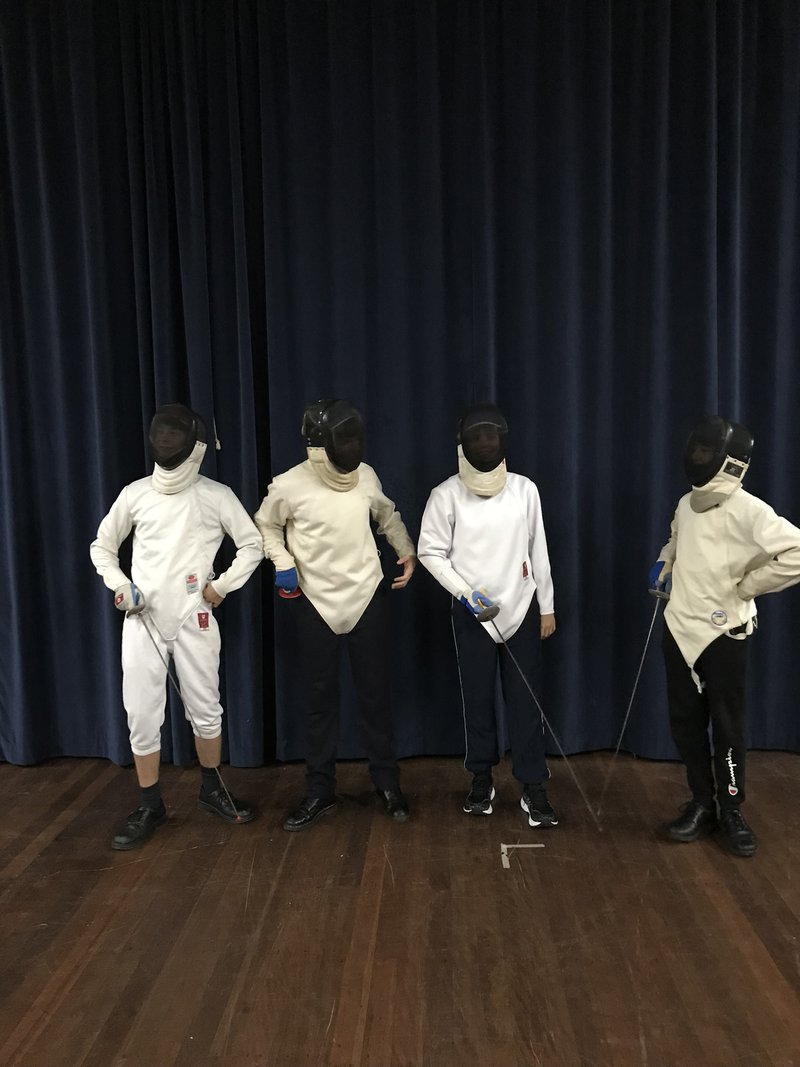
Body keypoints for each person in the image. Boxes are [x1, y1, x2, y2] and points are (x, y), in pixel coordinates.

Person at [90, 404, 263, 850]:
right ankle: (150, 804)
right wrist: (122, 585)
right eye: (162, 435)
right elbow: (102, 547)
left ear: (194, 446)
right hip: (142, 619)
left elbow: (252, 544)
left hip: (194, 618)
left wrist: (221, 587)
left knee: (205, 708)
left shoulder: (216, 496)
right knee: (141, 713)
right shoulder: (135, 494)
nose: (167, 443)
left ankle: (212, 789)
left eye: (175, 437)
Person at [255, 398, 416, 830]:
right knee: (318, 701)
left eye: (354, 439)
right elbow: (266, 525)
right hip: (315, 602)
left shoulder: (367, 477)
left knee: (375, 696)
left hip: (366, 597)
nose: (351, 447)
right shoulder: (289, 485)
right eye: (342, 440)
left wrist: (405, 549)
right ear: (318, 445)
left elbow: (387, 515)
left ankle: (387, 783)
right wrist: (282, 560)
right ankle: (319, 790)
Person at [650, 415, 800, 857]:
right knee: (686, 724)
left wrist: (748, 587)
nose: (697, 458)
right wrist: (664, 563)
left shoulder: (748, 509)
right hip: (679, 627)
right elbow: (676, 540)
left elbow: (796, 551)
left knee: (728, 724)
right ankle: (702, 803)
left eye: (705, 452)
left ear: (729, 461)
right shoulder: (686, 503)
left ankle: (731, 809)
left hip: (723, 634)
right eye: (695, 450)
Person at [417, 402, 557, 827]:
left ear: (503, 441)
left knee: (526, 704)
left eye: (490, 436)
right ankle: (481, 778)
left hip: (521, 609)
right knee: (477, 701)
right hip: (472, 615)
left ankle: (533, 785)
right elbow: (429, 552)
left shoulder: (524, 490)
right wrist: (465, 594)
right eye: (475, 437)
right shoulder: (445, 495)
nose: (484, 444)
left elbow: (538, 550)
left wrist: (547, 607)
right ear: (462, 444)